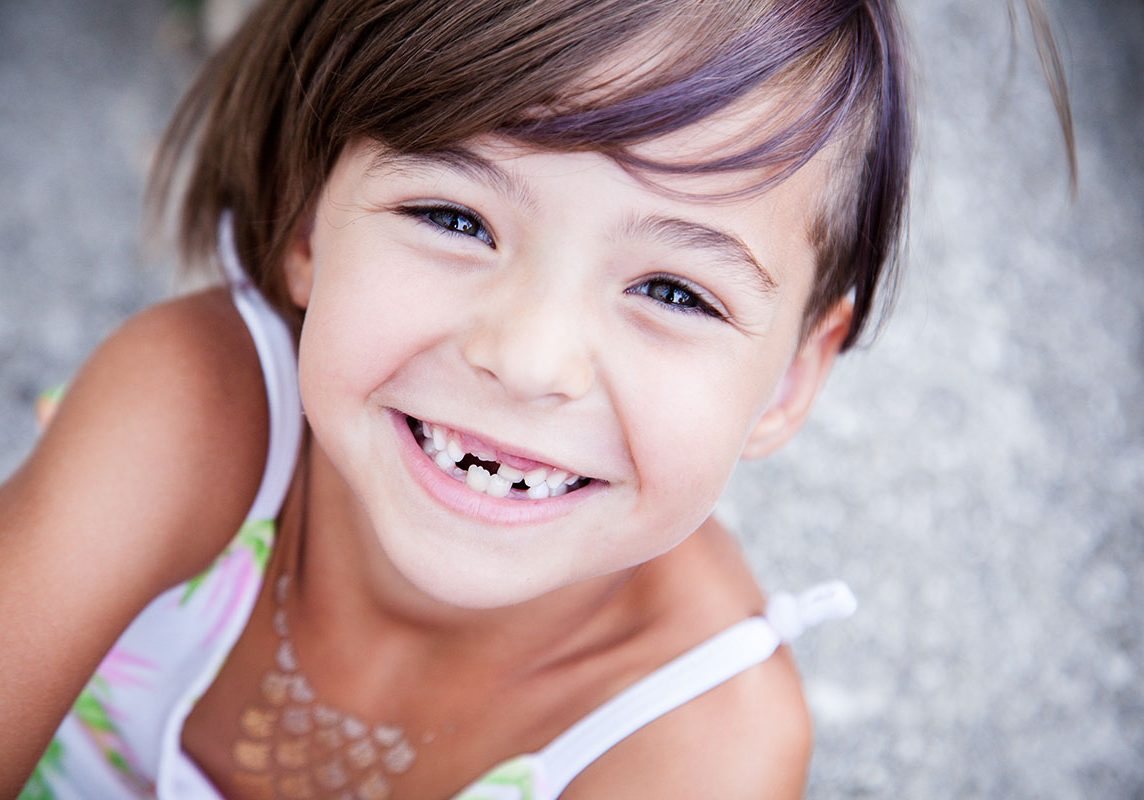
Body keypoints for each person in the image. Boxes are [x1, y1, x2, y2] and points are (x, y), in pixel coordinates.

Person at [0, 1, 1070, 798]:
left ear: (789, 377)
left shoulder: (697, 741)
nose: (527, 357)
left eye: (670, 289)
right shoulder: (193, 411)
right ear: (309, 227)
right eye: (454, 217)